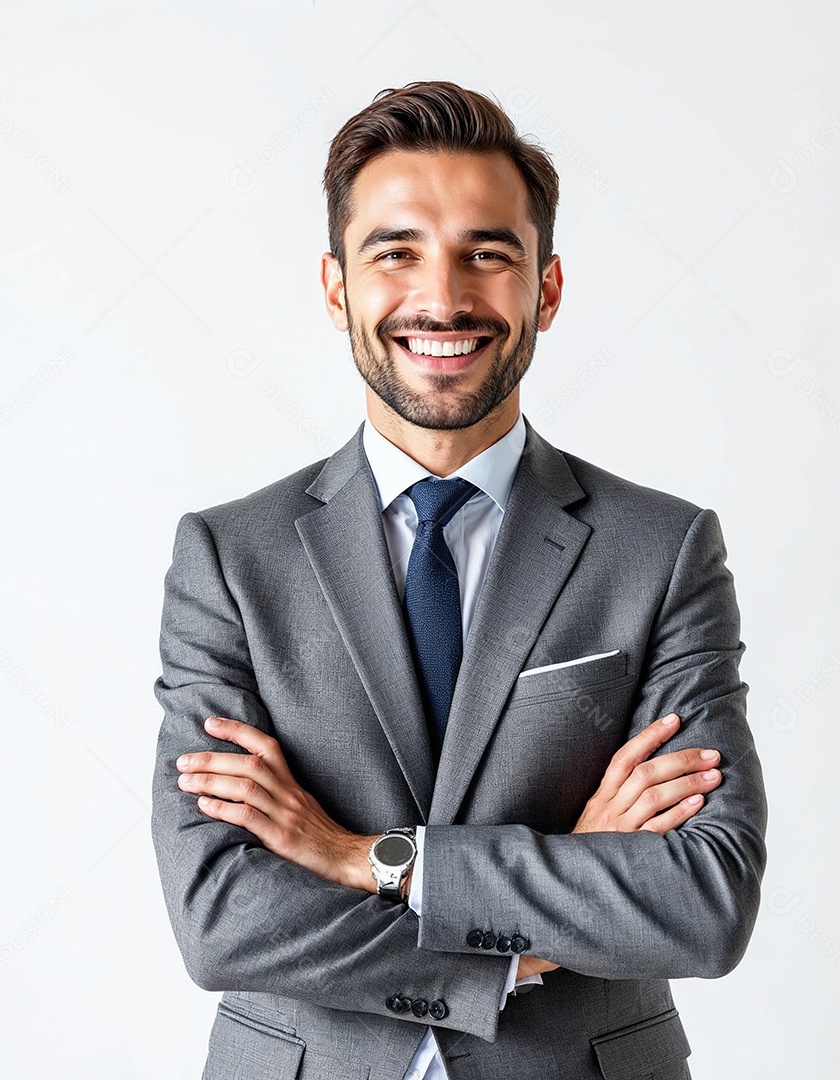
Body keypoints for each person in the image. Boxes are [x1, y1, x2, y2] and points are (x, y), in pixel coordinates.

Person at [151, 81, 767, 1080]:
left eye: (488, 253)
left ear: (547, 290)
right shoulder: (230, 557)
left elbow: (703, 900)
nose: (442, 298)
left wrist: (369, 857)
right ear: (335, 286)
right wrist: (520, 950)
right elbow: (224, 918)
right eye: (395, 253)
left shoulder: (661, 548)